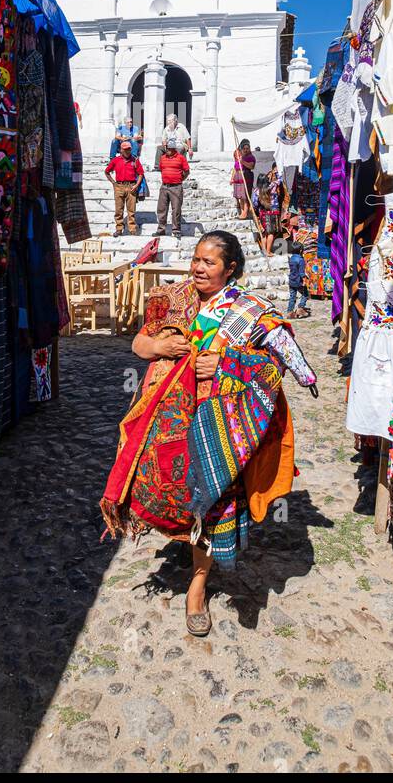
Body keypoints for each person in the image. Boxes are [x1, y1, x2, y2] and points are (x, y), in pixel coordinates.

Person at [101, 231, 315, 637]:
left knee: (212, 501)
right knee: (174, 488)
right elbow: (139, 345)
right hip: (166, 418)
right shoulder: (171, 299)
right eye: (196, 259)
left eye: (209, 263)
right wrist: (164, 351)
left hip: (217, 423)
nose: (198, 268)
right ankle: (180, 543)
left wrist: (224, 364)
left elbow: (275, 368)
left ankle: (197, 586)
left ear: (230, 268)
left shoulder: (250, 311)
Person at [105, 139, 144, 235]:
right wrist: (113, 183)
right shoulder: (115, 160)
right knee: (119, 209)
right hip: (119, 186)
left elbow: (141, 174)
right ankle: (119, 228)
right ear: (121, 150)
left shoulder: (135, 160)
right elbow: (107, 171)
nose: (127, 151)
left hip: (131, 186)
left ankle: (132, 229)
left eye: (129, 149)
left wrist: (136, 185)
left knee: (131, 210)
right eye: (125, 149)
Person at [154, 142, 190, 239]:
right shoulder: (163, 158)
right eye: (167, 148)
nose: (167, 150)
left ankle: (176, 229)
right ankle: (161, 229)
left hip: (176, 187)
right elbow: (162, 169)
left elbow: (187, 171)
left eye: (169, 148)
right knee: (161, 208)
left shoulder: (181, 158)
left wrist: (180, 179)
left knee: (176, 209)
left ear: (174, 149)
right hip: (164, 186)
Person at [285, 215, 310, 317]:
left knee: (292, 296)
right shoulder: (301, 260)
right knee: (305, 294)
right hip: (298, 281)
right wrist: (304, 279)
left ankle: (290, 312)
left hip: (291, 280)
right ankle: (300, 308)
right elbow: (301, 272)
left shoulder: (291, 259)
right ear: (301, 250)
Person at [230, 140, 256, 220]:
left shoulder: (251, 157)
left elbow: (251, 166)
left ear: (249, 149)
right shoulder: (239, 157)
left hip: (246, 176)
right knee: (240, 196)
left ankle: (245, 212)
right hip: (238, 177)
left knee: (245, 196)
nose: (245, 150)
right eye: (244, 148)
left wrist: (242, 162)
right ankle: (242, 212)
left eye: (247, 148)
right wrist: (232, 178)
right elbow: (235, 168)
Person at [255, 174, 279, 256]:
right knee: (271, 233)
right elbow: (280, 179)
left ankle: (264, 251)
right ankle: (268, 252)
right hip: (273, 212)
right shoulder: (273, 186)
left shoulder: (257, 191)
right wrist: (276, 171)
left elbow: (255, 204)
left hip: (262, 213)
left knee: (264, 233)